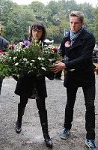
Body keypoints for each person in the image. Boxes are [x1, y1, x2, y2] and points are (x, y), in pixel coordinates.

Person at [52, 11, 97, 150]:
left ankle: (90, 137)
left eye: (76, 23)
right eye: (71, 22)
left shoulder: (89, 37)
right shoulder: (66, 37)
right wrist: (55, 62)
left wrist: (65, 65)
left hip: (86, 76)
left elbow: (85, 58)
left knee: (90, 106)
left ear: (82, 23)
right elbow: (61, 54)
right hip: (71, 77)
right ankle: (66, 128)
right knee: (69, 104)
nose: (73, 25)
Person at [14, 22, 53, 148]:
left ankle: (46, 135)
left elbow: (50, 67)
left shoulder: (46, 47)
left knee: (42, 107)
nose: (36, 33)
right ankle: (19, 121)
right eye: (34, 30)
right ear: (31, 31)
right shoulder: (24, 45)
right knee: (23, 102)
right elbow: (16, 63)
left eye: (39, 31)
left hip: (39, 82)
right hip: (26, 81)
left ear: (43, 33)